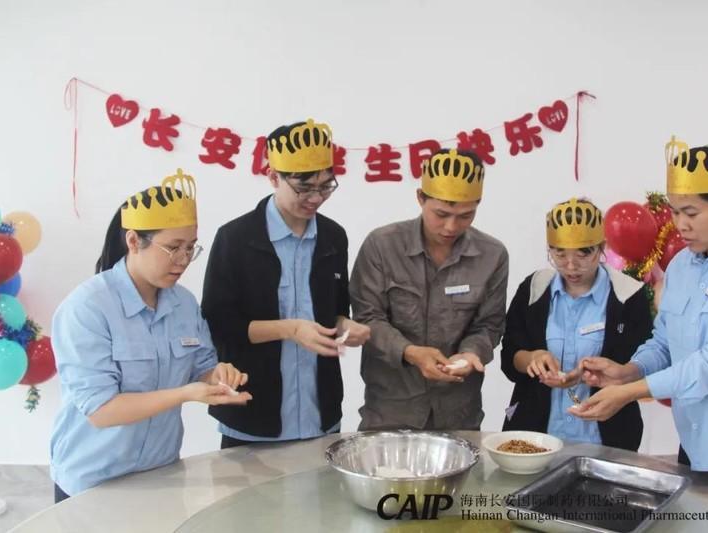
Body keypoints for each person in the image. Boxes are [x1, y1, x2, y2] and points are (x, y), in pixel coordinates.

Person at [571, 137, 708, 505]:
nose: (680, 225)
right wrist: (628, 371)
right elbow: (665, 341)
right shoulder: (681, 267)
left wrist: (631, 392)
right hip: (697, 446)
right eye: (675, 212)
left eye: (691, 213)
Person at [50, 170, 251, 501]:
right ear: (133, 241)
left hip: (161, 474)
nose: (184, 260)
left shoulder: (184, 304)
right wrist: (185, 394)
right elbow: (102, 410)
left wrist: (219, 376)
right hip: (92, 482)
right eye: (173, 248)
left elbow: (201, 367)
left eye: (191, 248)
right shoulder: (87, 308)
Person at [202, 119, 369, 448]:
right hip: (252, 415)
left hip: (320, 413)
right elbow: (219, 326)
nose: (316, 198)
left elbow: (334, 312)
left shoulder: (333, 237)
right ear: (273, 176)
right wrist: (290, 329)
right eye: (304, 188)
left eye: (326, 186)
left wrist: (345, 326)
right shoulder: (235, 239)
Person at [350, 148, 509, 430]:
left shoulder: (492, 255)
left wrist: (471, 353)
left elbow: (489, 324)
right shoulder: (383, 245)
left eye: (465, 215)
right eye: (441, 214)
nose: (451, 226)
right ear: (420, 198)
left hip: (459, 410)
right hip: (391, 408)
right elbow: (367, 317)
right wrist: (410, 352)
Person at [500, 198, 652, 450]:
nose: (571, 266)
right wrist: (532, 359)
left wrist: (598, 374)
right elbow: (510, 357)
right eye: (559, 253)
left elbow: (643, 367)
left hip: (605, 438)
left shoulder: (628, 295)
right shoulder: (534, 288)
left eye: (583, 253)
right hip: (536, 436)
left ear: (601, 247)